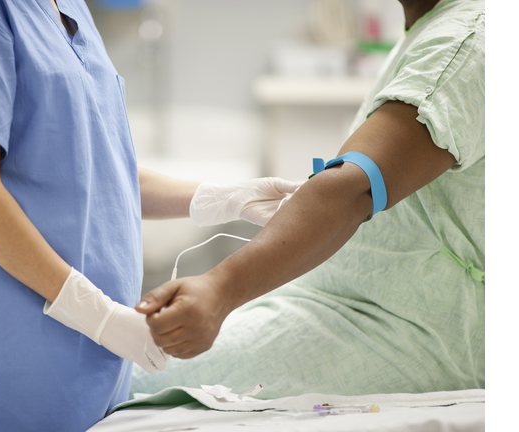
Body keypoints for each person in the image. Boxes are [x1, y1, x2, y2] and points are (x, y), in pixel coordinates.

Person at [0, 0, 299, 430]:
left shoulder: (65, 7)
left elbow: (97, 170)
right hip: (10, 356)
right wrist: (98, 316)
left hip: (89, 359)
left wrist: (223, 198)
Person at [134, 0, 485, 399]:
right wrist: (219, 199)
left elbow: (352, 188)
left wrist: (220, 289)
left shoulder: (466, 42)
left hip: (406, 331)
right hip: (344, 303)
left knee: (129, 382)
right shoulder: (430, 28)